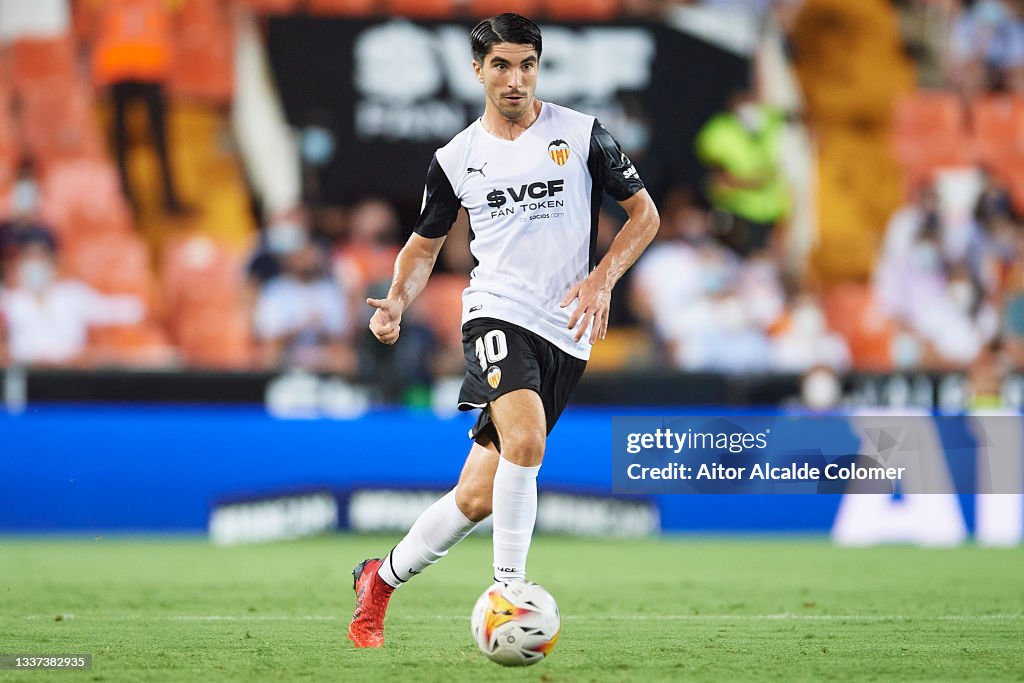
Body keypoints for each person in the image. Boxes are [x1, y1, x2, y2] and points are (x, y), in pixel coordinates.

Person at [346, 13, 660, 648]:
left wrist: (602, 279)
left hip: (568, 331)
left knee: (477, 495)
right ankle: (509, 589)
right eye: (501, 65)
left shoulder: (581, 133)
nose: (515, 79)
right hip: (496, 312)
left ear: (538, 67)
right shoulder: (457, 157)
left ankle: (380, 580)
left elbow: (644, 215)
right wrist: (397, 302)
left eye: (527, 65)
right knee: (526, 439)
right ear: (477, 71)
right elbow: (422, 246)